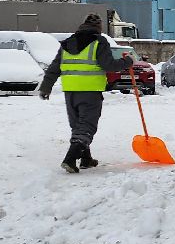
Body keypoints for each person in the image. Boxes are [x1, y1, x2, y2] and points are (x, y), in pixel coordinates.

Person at [38, 13, 132, 174]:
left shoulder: (68, 43)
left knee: (78, 125)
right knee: (87, 126)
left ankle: (86, 159)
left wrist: (46, 87)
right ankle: (70, 159)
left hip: (70, 91)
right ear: (99, 27)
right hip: (90, 90)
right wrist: (128, 61)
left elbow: (54, 67)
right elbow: (108, 65)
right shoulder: (99, 42)